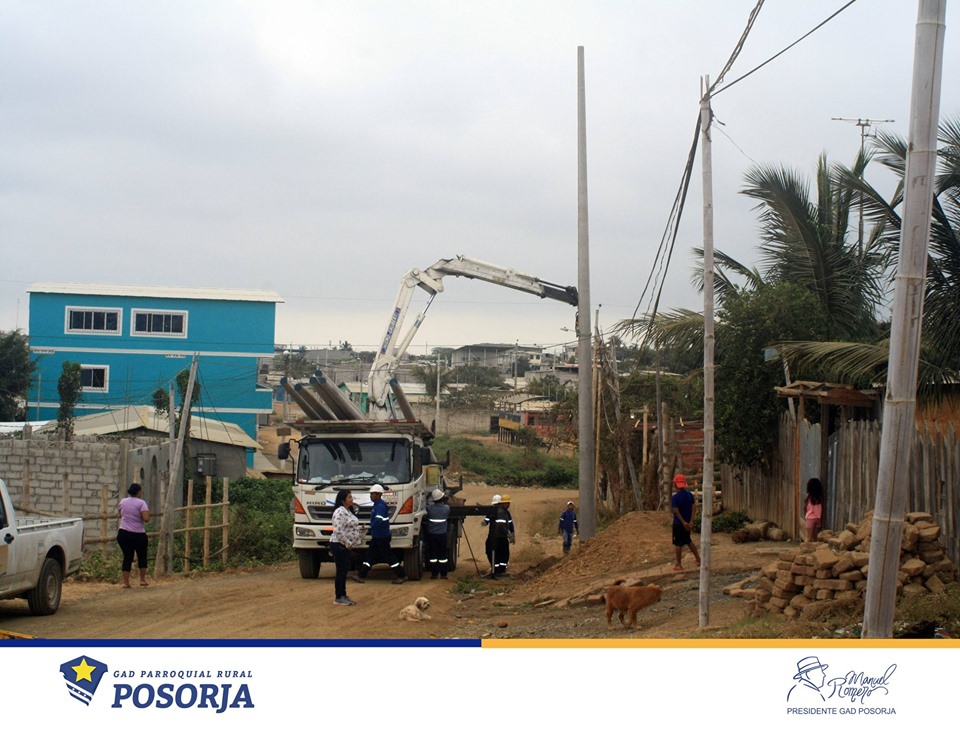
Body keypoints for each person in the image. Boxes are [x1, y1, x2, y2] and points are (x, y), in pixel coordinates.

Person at [357, 484, 407, 584]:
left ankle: (402, 575)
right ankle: (361, 575)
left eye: (373, 494)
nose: (371, 496)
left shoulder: (380, 506)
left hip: (381, 536)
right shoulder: (377, 505)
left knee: (389, 557)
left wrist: (369, 527)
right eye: (371, 494)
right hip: (378, 535)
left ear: (379, 495)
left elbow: (378, 521)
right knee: (370, 555)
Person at [330, 489, 361, 606]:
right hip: (339, 545)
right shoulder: (339, 512)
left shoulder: (348, 511)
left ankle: (343, 594)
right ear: (343, 500)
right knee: (341, 571)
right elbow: (338, 531)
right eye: (349, 497)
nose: (352, 499)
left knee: (344, 571)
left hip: (345, 546)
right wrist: (347, 543)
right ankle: (339, 596)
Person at [116, 483, 150, 588]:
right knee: (142, 556)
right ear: (139, 492)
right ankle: (142, 580)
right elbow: (146, 518)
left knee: (127, 557)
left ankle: (126, 582)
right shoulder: (142, 503)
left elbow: (120, 515)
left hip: (123, 533)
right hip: (138, 534)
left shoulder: (123, 501)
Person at [670, 473, 700, 571]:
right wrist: (691, 521)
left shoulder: (675, 497)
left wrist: (683, 522)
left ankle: (679, 564)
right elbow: (694, 508)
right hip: (688, 523)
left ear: (676, 485)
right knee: (688, 540)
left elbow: (676, 511)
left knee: (678, 543)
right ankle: (698, 559)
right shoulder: (689, 495)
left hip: (679, 524)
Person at [483, 494, 515, 578]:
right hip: (498, 537)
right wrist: (510, 534)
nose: (508, 505)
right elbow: (488, 520)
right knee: (499, 553)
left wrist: (511, 534)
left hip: (498, 537)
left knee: (499, 553)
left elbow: (504, 525)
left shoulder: (503, 512)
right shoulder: (501, 512)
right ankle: (498, 570)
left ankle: (498, 570)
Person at [425, 488, 451, 579]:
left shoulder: (430, 509)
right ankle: (443, 574)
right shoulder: (446, 508)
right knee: (443, 555)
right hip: (442, 535)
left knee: (433, 555)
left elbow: (425, 505)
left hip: (432, 535)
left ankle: (434, 574)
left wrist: (427, 497)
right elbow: (447, 506)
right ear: (442, 498)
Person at [804, 477, 824, 543]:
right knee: (815, 538)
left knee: (809, 538)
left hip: (810, 518)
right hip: (817, 518)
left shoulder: (808, 496)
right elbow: (821, 508)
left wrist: (806, 515)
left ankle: (807, 548)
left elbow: (805, 507)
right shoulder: (819, 498)